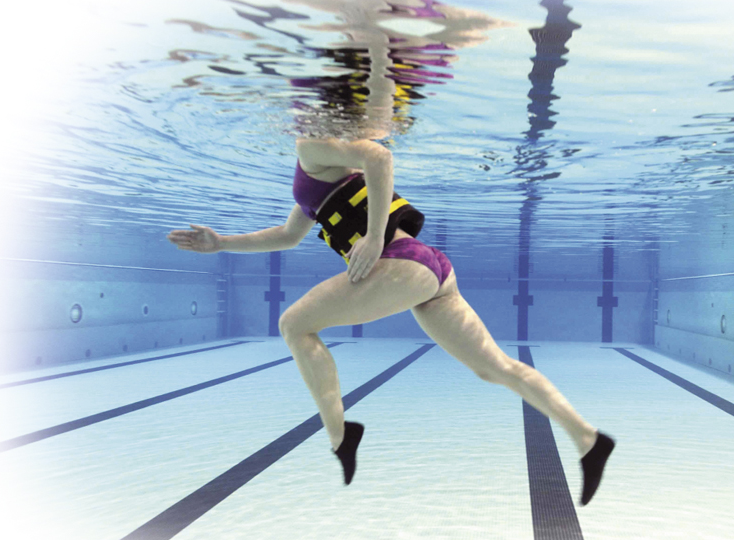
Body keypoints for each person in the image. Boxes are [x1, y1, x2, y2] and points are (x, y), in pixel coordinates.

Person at [166, 137, 615, 506]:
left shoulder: (310, 145)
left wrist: (375, 235)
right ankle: (589, 439)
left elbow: (378, 154)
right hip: (432, 267)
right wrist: (221, 243)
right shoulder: (310, 183)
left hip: (402, 263)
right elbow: (287, 235)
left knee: (293, 325)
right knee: (495, 368)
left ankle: (342, 435)